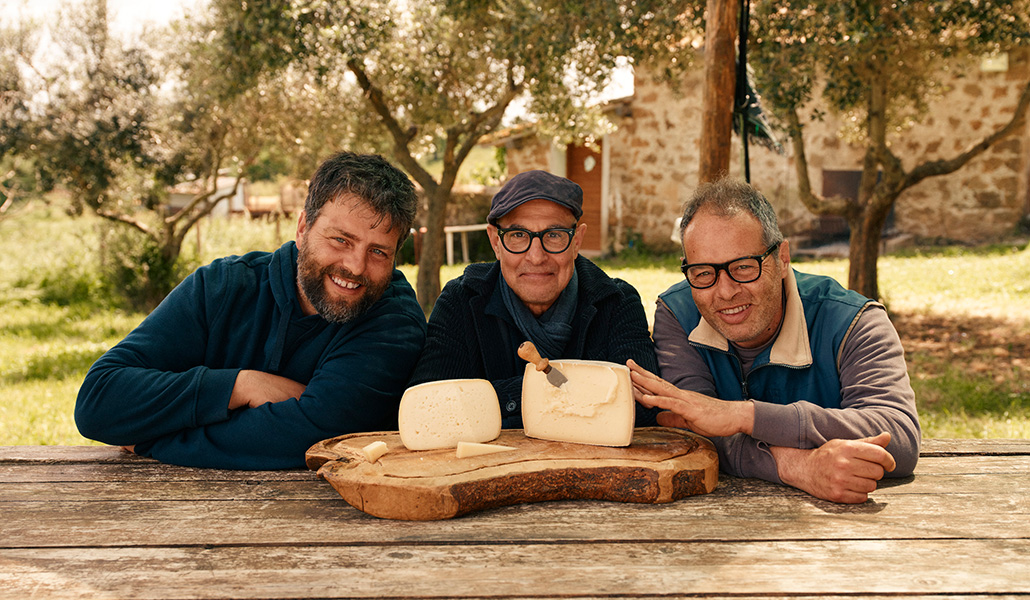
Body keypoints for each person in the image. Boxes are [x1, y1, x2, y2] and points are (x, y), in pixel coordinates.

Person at [75, 151, 427, 470]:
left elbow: (316, 435)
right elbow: (99, 400)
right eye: (341, 240)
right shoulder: (221, 286)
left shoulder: (394, 322)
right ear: (303, 228)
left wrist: (152, 440)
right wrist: (240, 385)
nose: (356, 266)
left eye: (379, 252)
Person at [628, 178, 920, 503]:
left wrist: (744, 416)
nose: (725, 292)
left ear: (782, 259)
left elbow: (899, 435)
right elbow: (691, 433)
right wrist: (797, 466)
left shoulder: (853, 320)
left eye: (743, 267)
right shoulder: (677, 313)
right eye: (703, 272)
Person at [409, 169, 660, 428]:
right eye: (518, 235)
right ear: (495, 242)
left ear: (577, 242)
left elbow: (643, 407)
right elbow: (428, 406)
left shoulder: (616, 302)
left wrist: (488, 400)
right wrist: (583, 395)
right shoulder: (461, 301)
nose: (536, 256)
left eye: (554, 235)